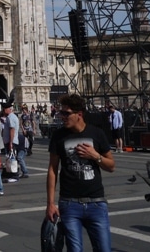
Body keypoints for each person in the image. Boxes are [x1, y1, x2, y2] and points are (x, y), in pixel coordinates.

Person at [47, 94, 115, 252]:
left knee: (104, 249)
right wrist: (50, 203)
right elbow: (52, 169)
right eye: (61, 113)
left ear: (79, 114)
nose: (62, 117)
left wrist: (95, 156)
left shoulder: (96, 134)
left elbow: (111, 166)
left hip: (96, 203)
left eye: (66, 113)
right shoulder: (58, 136)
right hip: (69, 204)